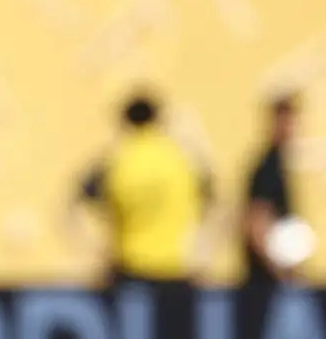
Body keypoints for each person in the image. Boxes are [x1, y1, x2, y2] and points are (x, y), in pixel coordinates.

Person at [73, 92, 210, 293]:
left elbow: (72, 208)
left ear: (124, 122)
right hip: (175, 269)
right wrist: (202, 255)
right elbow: (218, 204)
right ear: (158, 120)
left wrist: (96, 253)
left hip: (129, 271)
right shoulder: (182, 160)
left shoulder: (114, 161)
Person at [242, 93, 307, 293]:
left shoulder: (279, 164)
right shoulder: (268, 167)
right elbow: (257, 222)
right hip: (267, 283)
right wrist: (282, 274)